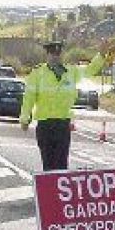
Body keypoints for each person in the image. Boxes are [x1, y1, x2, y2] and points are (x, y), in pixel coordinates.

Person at [20, 41, 104, 171]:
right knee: (48, 164)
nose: (55, 56)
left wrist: (101, 55)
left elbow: (89, 70)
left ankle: (59, 191)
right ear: (47, 55)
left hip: (62, 125)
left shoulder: (70, 72)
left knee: (62, 165)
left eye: (58, 53)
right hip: (45, 125)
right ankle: (49, 191)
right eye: (52, 53)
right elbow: (28, 97)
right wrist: (25, 118)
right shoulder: (38, 73)